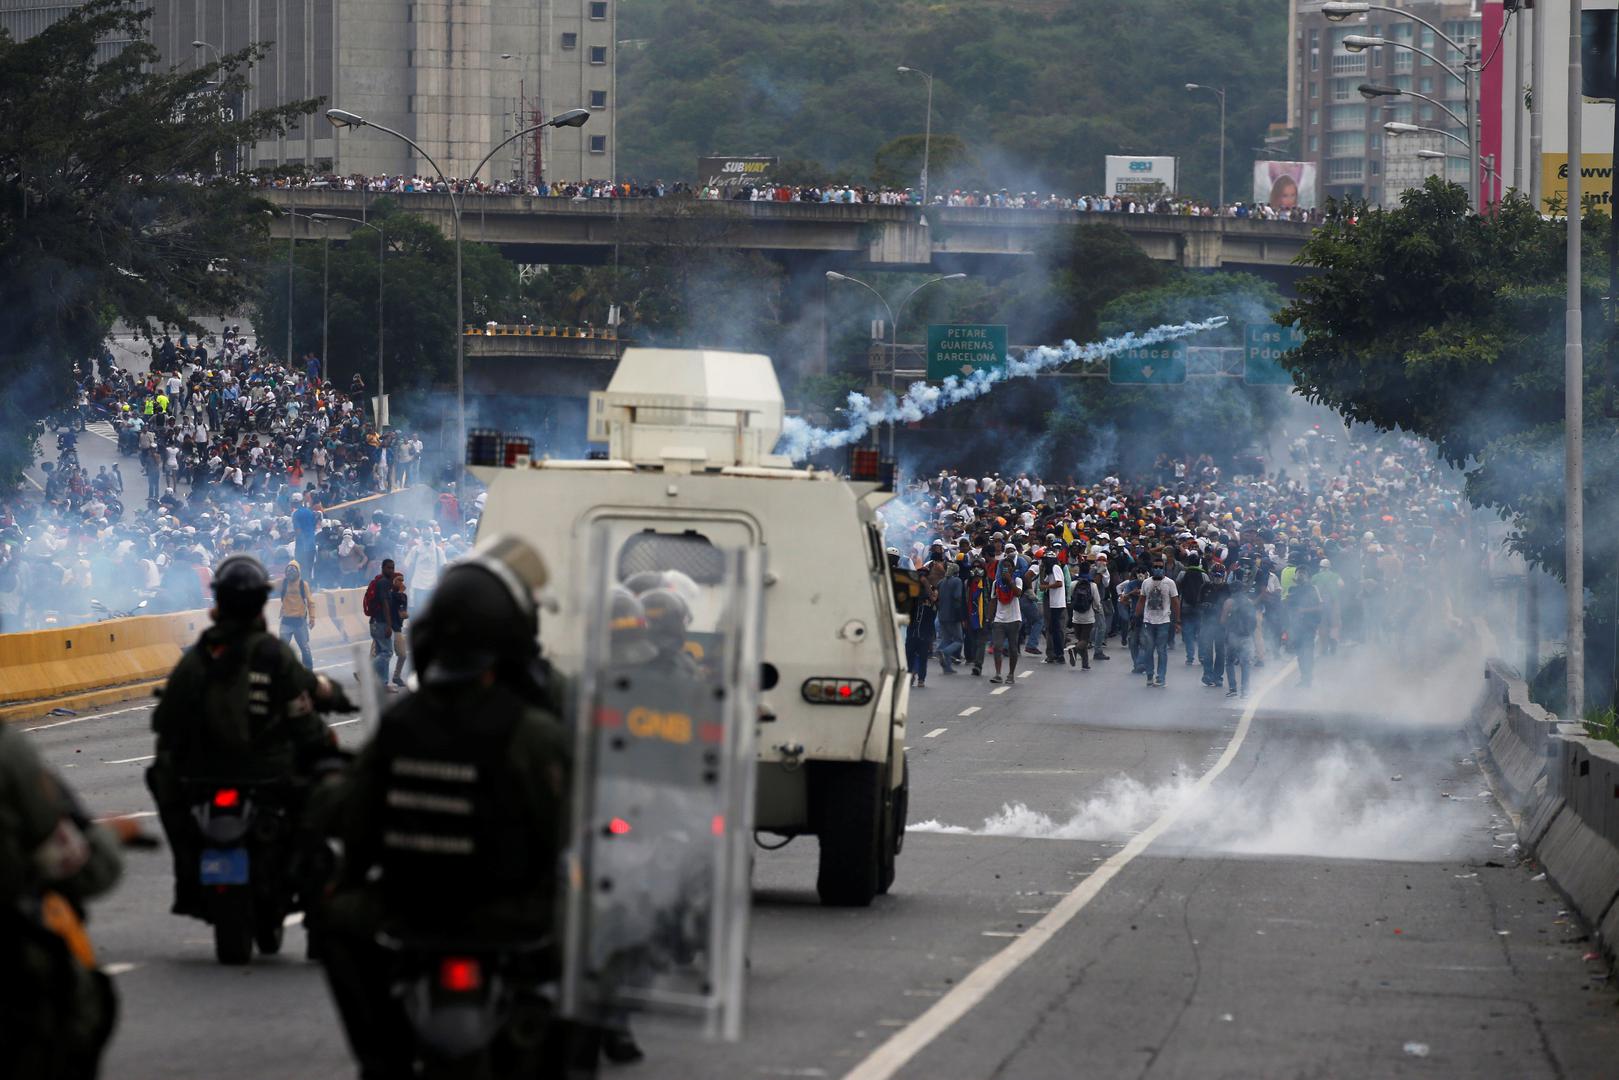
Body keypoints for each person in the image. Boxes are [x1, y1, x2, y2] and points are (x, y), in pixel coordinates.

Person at [316, 535, 576, 1079]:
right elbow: (568, 828)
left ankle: (381, 1058)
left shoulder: (402, 725)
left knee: (335, 917)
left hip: (413, 908)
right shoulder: (534, 732)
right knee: (592, 925)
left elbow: (352, 817)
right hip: (509, 917)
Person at [146, 554, 351, 920]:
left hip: (202, 774)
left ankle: (188, 874)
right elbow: (304, 706)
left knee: (160, 772)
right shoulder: (273, 653)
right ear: (260, 602)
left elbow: (165, 721)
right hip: (270, 774)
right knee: (322, 790)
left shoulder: (198, 656)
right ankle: (314, 892)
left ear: (218, 601)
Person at [1, 721, 130, 1079]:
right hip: (15, 954)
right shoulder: (10, 754)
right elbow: (70, 860)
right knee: (77, 1010)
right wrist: (108, 839)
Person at [1135, 557, 1181, 688]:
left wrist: (1178, 621)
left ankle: (1161, 677)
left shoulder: (1170, 583)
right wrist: (1136, 617)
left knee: (1161, 650)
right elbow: (1142, 600)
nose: (1158, 569)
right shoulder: (1146, 583)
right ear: (1152, 568)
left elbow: (1175, 602)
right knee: (1148, 650)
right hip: (1148, 621)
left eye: (1160, 567)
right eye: (1155, 566)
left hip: (1164, 622)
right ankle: (1150, 675)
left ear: (1164, 568)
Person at [1221, 570, 1260, 700]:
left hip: (1233, 636)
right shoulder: (1249, 601)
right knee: (1246, 664)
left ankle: (1233, 688)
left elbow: (1223, 620)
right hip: (1247, 636)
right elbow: (1254, 619)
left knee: (1230, 662)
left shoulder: (1229, 602)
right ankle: (1245, 691)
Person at [987, 549, 1024, 686]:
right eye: (1004, 566)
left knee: (1013, 648)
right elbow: (993, 600)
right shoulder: (996, 583)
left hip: (1014, 619)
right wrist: (989, 618)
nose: (1006, 568)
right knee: (997, 646)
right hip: (999, 620)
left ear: (1013, 569)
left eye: (1009, 566)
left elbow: (1018, 593)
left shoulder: (1017, 580)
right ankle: (998, 674)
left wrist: (1009, 581)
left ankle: (1011, 674)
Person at [363, 557, 396, 690]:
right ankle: (364, 672)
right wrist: (389, 625)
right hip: (381, 623)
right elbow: (385, 604)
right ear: (382, 568)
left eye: (393, 568)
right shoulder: (383, 583)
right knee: (387, 652)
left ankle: (383, 683)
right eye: (388, 567)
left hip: (376, 622)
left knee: (381, 653)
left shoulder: (385, 582)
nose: (391, 570)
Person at [277, 559, 317, 668]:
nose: (290, 573)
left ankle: (308, 671)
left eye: (293, 570)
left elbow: (310, 602)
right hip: (286, 621)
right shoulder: (283, 582)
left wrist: (312, 618)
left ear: (298, 572)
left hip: (299, 622)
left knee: (304, 648)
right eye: (288, 570)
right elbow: (269, 585)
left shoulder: (303, 585)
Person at [935, 561, 966, 675]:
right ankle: (943, 651)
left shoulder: (941, 582)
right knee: (958, 640)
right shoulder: (957, 581)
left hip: (942, 614)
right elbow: (957, 597)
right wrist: (961, 614)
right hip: (953, 615)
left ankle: (947, 668)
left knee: (946, 639)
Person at [387, 572, 409, 688]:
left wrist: (404, 614)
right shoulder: (389, 594)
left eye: (402, 580)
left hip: (397, 628)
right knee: (380, 655)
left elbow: (403, 613)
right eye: (399, 580)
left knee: (402, 654)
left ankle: (396, 676)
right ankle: (364, 675)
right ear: (393, 581)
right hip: (385, 627)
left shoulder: (403, 596)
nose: (401, 583)